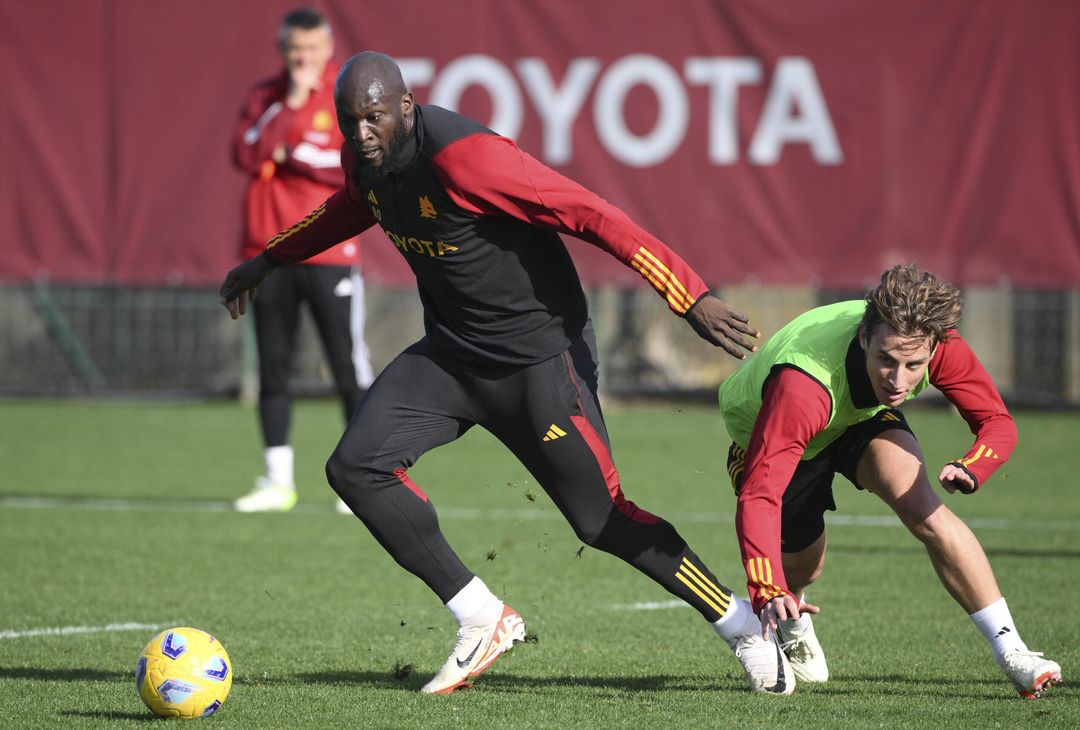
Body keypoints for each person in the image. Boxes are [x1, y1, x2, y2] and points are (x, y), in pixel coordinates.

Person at [219, 51, 798, 696]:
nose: (361, 133)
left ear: (406, 107)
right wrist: (267, 260)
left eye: (374, 117)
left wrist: (688, 295)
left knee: (601, 520)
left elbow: (592, 214)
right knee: (355, 466)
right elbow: (348, 209)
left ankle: (743, 627)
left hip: (538, 363)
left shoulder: (469, 159)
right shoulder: (367, 161)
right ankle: (481, 616)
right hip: (452, 357)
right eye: (349, 120)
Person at [719, 264, 1062, 698]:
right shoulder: (802, 387)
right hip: (778, 428)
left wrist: (974, 466)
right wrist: (766, 590)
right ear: (864, 336)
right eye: (886, 360)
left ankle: (1012, 650)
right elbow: (760, 495)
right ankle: (793, 615)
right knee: (805, 566)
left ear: (933, 346)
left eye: (914, 365)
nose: (898, 381)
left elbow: (996, 421)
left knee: (925, 508)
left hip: (859, 416)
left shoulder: (936, 342)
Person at [231, 8, 373, 514]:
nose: (304, 58)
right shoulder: (266, 97)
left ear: (328, 48)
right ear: (283, 49)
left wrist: (296, 156)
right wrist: (289, 108)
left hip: (331, 251)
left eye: (312, 49)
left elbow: (353, 167)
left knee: (346, 366)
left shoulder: (345, 96)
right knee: (273, 367)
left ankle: (364, 479)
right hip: (269, 252)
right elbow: (246, 155)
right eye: (296, 49)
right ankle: (278, 481)